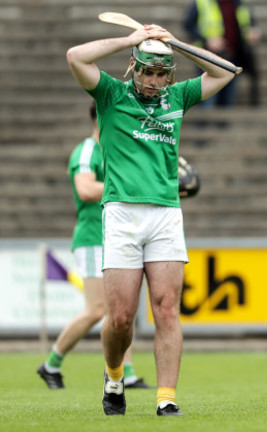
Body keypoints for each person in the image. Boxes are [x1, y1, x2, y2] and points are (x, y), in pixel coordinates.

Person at [66, 23, 236, 416]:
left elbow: (225, 71)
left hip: (165, 213)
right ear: (133, 66)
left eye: (161, 72)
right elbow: (76, 56)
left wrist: (174, 42)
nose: (154, 80)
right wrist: (131, 39)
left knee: (166, 308)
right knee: (121, 318)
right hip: (121, 212)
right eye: (147, 70)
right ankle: (113, 376)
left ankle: (166, 397)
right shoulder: (111, 95)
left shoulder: (177, 96)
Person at [36, 103, 153, 391]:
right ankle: (51, 364)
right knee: (97, 309)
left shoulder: (118, 150)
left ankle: (128, 372)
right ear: (103, 116)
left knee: (121, 308)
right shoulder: (88, 149)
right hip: (92, 237)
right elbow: (85, 189)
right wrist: (128, 185)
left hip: (117, 236)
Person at [184, 0, 261, 107]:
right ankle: (204, 122)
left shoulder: (239, 3)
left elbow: (248, 23)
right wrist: (207, 40)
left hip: (232, 57)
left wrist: (252, 31)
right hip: (208, 58)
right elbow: (188, 25)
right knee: (207, 100)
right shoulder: (202, 2)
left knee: (227, 100)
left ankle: (222, 123)